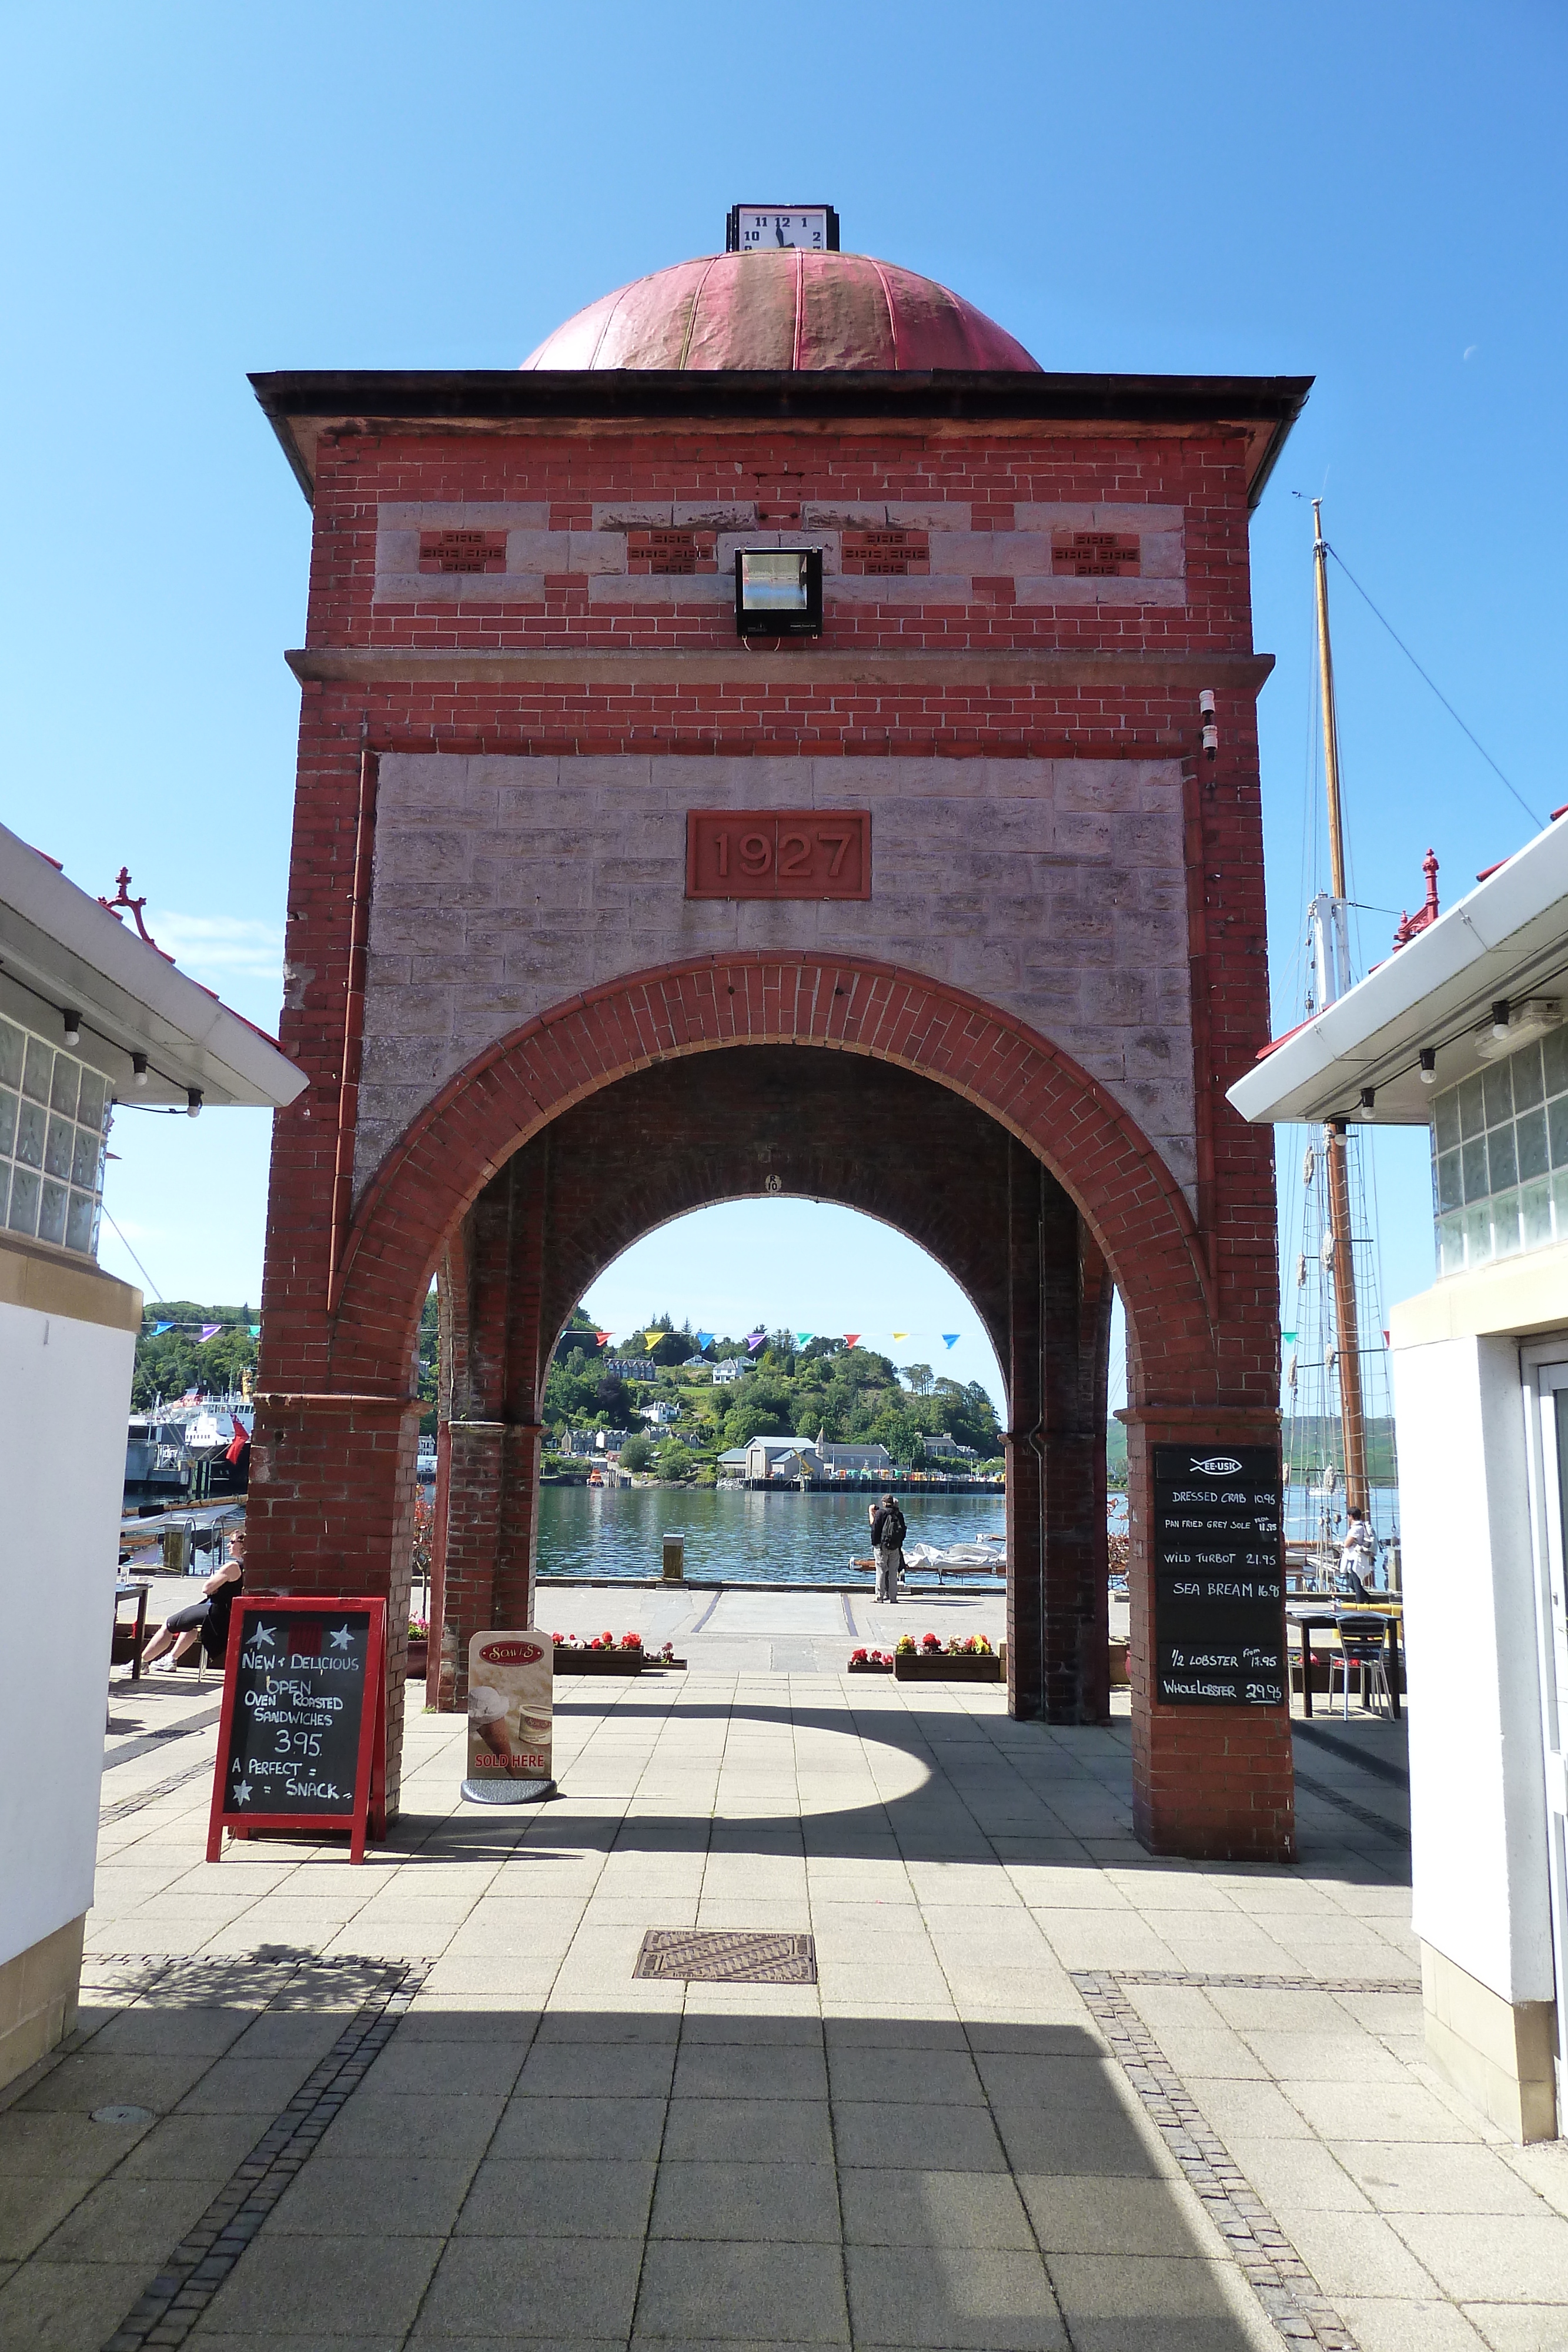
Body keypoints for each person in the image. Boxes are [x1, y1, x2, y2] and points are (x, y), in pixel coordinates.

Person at [141, 1529, 246, 1671]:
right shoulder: (251, 1568)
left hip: (217, 1613)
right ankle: (171, 1659)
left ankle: (140, 1662)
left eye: (232, 1542)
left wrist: (214, 1581)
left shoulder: (232, 1567)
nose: (228, 1545)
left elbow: (207, 1588)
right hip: (231, 1614)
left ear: (242, 1545)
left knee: (169, 1624)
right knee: (188, 1624)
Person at [869, 1493, 907, 1605]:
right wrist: (898, 1544)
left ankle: (879, 1597)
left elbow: (875, 1530)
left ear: (884, 1503)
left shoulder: (881, 1513)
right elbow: (903, 1531)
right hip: (895, 1548)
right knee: (893, 1573)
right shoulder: (899, 1514)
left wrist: (876, 1544)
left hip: (882, 1547)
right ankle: (893, 1598)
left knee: (881, 1571)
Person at [1336, 1511, 1377, 1601]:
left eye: (1348, 1516)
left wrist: (1343, 1544)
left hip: (1355, 1559)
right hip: (1357, 1557)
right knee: (1352, 1583)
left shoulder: (1355, 1529)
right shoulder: (1362, 1526)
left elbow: (1347, 1544)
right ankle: (1369, 1599)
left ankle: (1360, 1606)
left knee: (1356, 1584)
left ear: (1351, 1516)